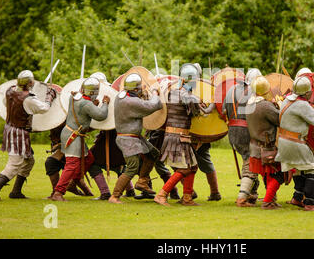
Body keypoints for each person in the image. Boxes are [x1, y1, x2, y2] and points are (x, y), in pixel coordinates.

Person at [0, 70, 56, 201]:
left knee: (29, 161)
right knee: (15, 163)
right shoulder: (28, 99)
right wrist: (49, 96)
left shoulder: (10, 90)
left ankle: (16, 191)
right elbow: (45, 108)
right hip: (18, 133)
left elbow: (9, 102)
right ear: (30, 82)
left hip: (10, 129)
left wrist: (33, 95)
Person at [154, 63, 213, 206]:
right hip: (178, 136)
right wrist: (212, 103)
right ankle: (161, 194)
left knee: (192, 167)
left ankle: (187, 197)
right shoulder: (188, 96)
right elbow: (202, 113)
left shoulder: (173, 91)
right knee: (185, 168)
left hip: (176, 135)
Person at [275, 76, 314, 211]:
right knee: (312, 169)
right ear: (307, 92)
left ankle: (297, 198)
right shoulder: (302, 104)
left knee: (298, 169)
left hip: (283, 142)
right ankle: (310, 203)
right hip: (295, 142)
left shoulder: (287, 100)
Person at [51, 77, 109, 201]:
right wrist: (105, 103)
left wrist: (93, 105)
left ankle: (74, 181)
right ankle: (58, 192)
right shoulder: (86, 104)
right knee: (72, 165)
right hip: (74, 136)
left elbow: (83, 110)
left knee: (88, 159)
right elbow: (101, 115)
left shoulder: (75, 97)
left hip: (72, 134)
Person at [108, 73, 163, 204]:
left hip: (134, 137)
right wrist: (155, 93)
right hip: (128, 139)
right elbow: (154, 105)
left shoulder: (121, 97)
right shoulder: (131, 102)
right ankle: (114, 196)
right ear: (136, 89)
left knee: (153, 154)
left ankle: (142, 182)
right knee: (132, 166)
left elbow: (139, 103)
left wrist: (142, 96)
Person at [246, 76, 289, 209]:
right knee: (280, 173)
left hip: (254, 146)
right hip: (266, 147)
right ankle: (268, 201)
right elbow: (280, 119)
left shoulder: (249, 104)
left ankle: (271, 200)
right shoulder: (265, 106)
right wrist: (281, 105)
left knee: (268, 174)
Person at [222, 68, 262, 207]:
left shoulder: (231, 90)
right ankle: (242, 197)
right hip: (247, 131)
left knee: (248, 160)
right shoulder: (255, 92)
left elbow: (223, 111)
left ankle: (252, 194)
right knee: (251, 162)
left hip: (232, 131)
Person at [44, 122, 93, 199]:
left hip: (75, 149)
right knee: (50, 163)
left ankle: (87, 192)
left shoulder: (71, 119)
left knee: (74, 171)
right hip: (61, 150)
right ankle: (55, 192)